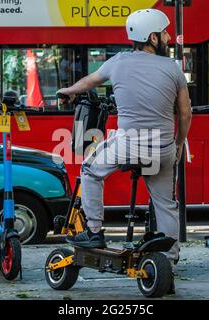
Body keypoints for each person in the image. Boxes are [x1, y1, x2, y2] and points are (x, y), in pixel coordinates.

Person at [57, 9, 192, 267]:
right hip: (162, 148)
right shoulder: (173, 69)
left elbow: (88, 82)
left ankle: (94, 231)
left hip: (128, 144)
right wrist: (177, 145)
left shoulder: (118, 62)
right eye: (164, 33)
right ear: (152, 38)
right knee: (166, 203)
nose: (168, 36)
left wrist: (68, 91)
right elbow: (185, 114)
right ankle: (169, 258)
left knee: (90, 170)